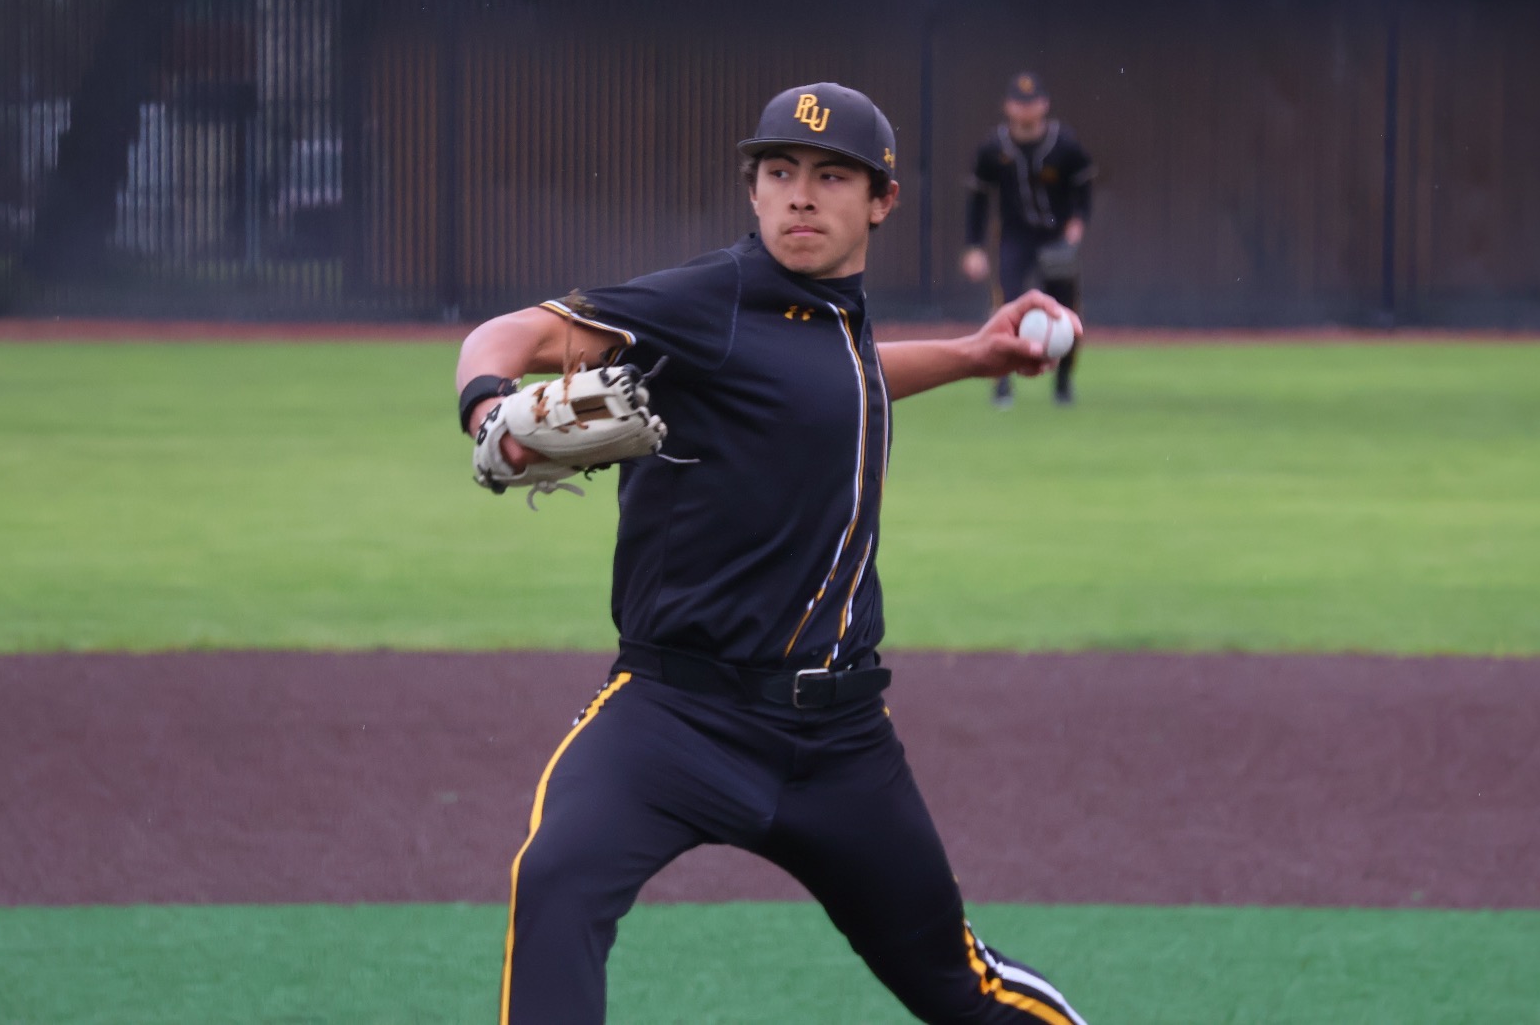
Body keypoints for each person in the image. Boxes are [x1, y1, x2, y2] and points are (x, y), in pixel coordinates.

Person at [457, 82, 1088, 1025]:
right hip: (676, 716)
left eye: (832, 176)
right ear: (752, 192)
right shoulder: (712, 299)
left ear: (881, 200)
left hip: (838, 741)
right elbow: (517, 332)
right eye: (780, 171)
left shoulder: (835, 315)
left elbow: (837, 381)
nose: (801, 194)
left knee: (957, 985)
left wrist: (971, 355)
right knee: (556, 878)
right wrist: (489, 406)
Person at [961, 71, 1096, 406]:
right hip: (1015, 237)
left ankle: (1063, 382)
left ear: (1044, 105)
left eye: (1032, 102)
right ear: (1007, 106)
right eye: (1019, 103)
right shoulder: (994, 148)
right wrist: (974, 246)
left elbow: (1084, 187)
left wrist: (1078, 223)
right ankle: (1002, 382)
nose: (1026, 109)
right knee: (1005, 306)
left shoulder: (1063, 144)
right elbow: (977, 198)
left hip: (1055, 238)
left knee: (1064, 311)